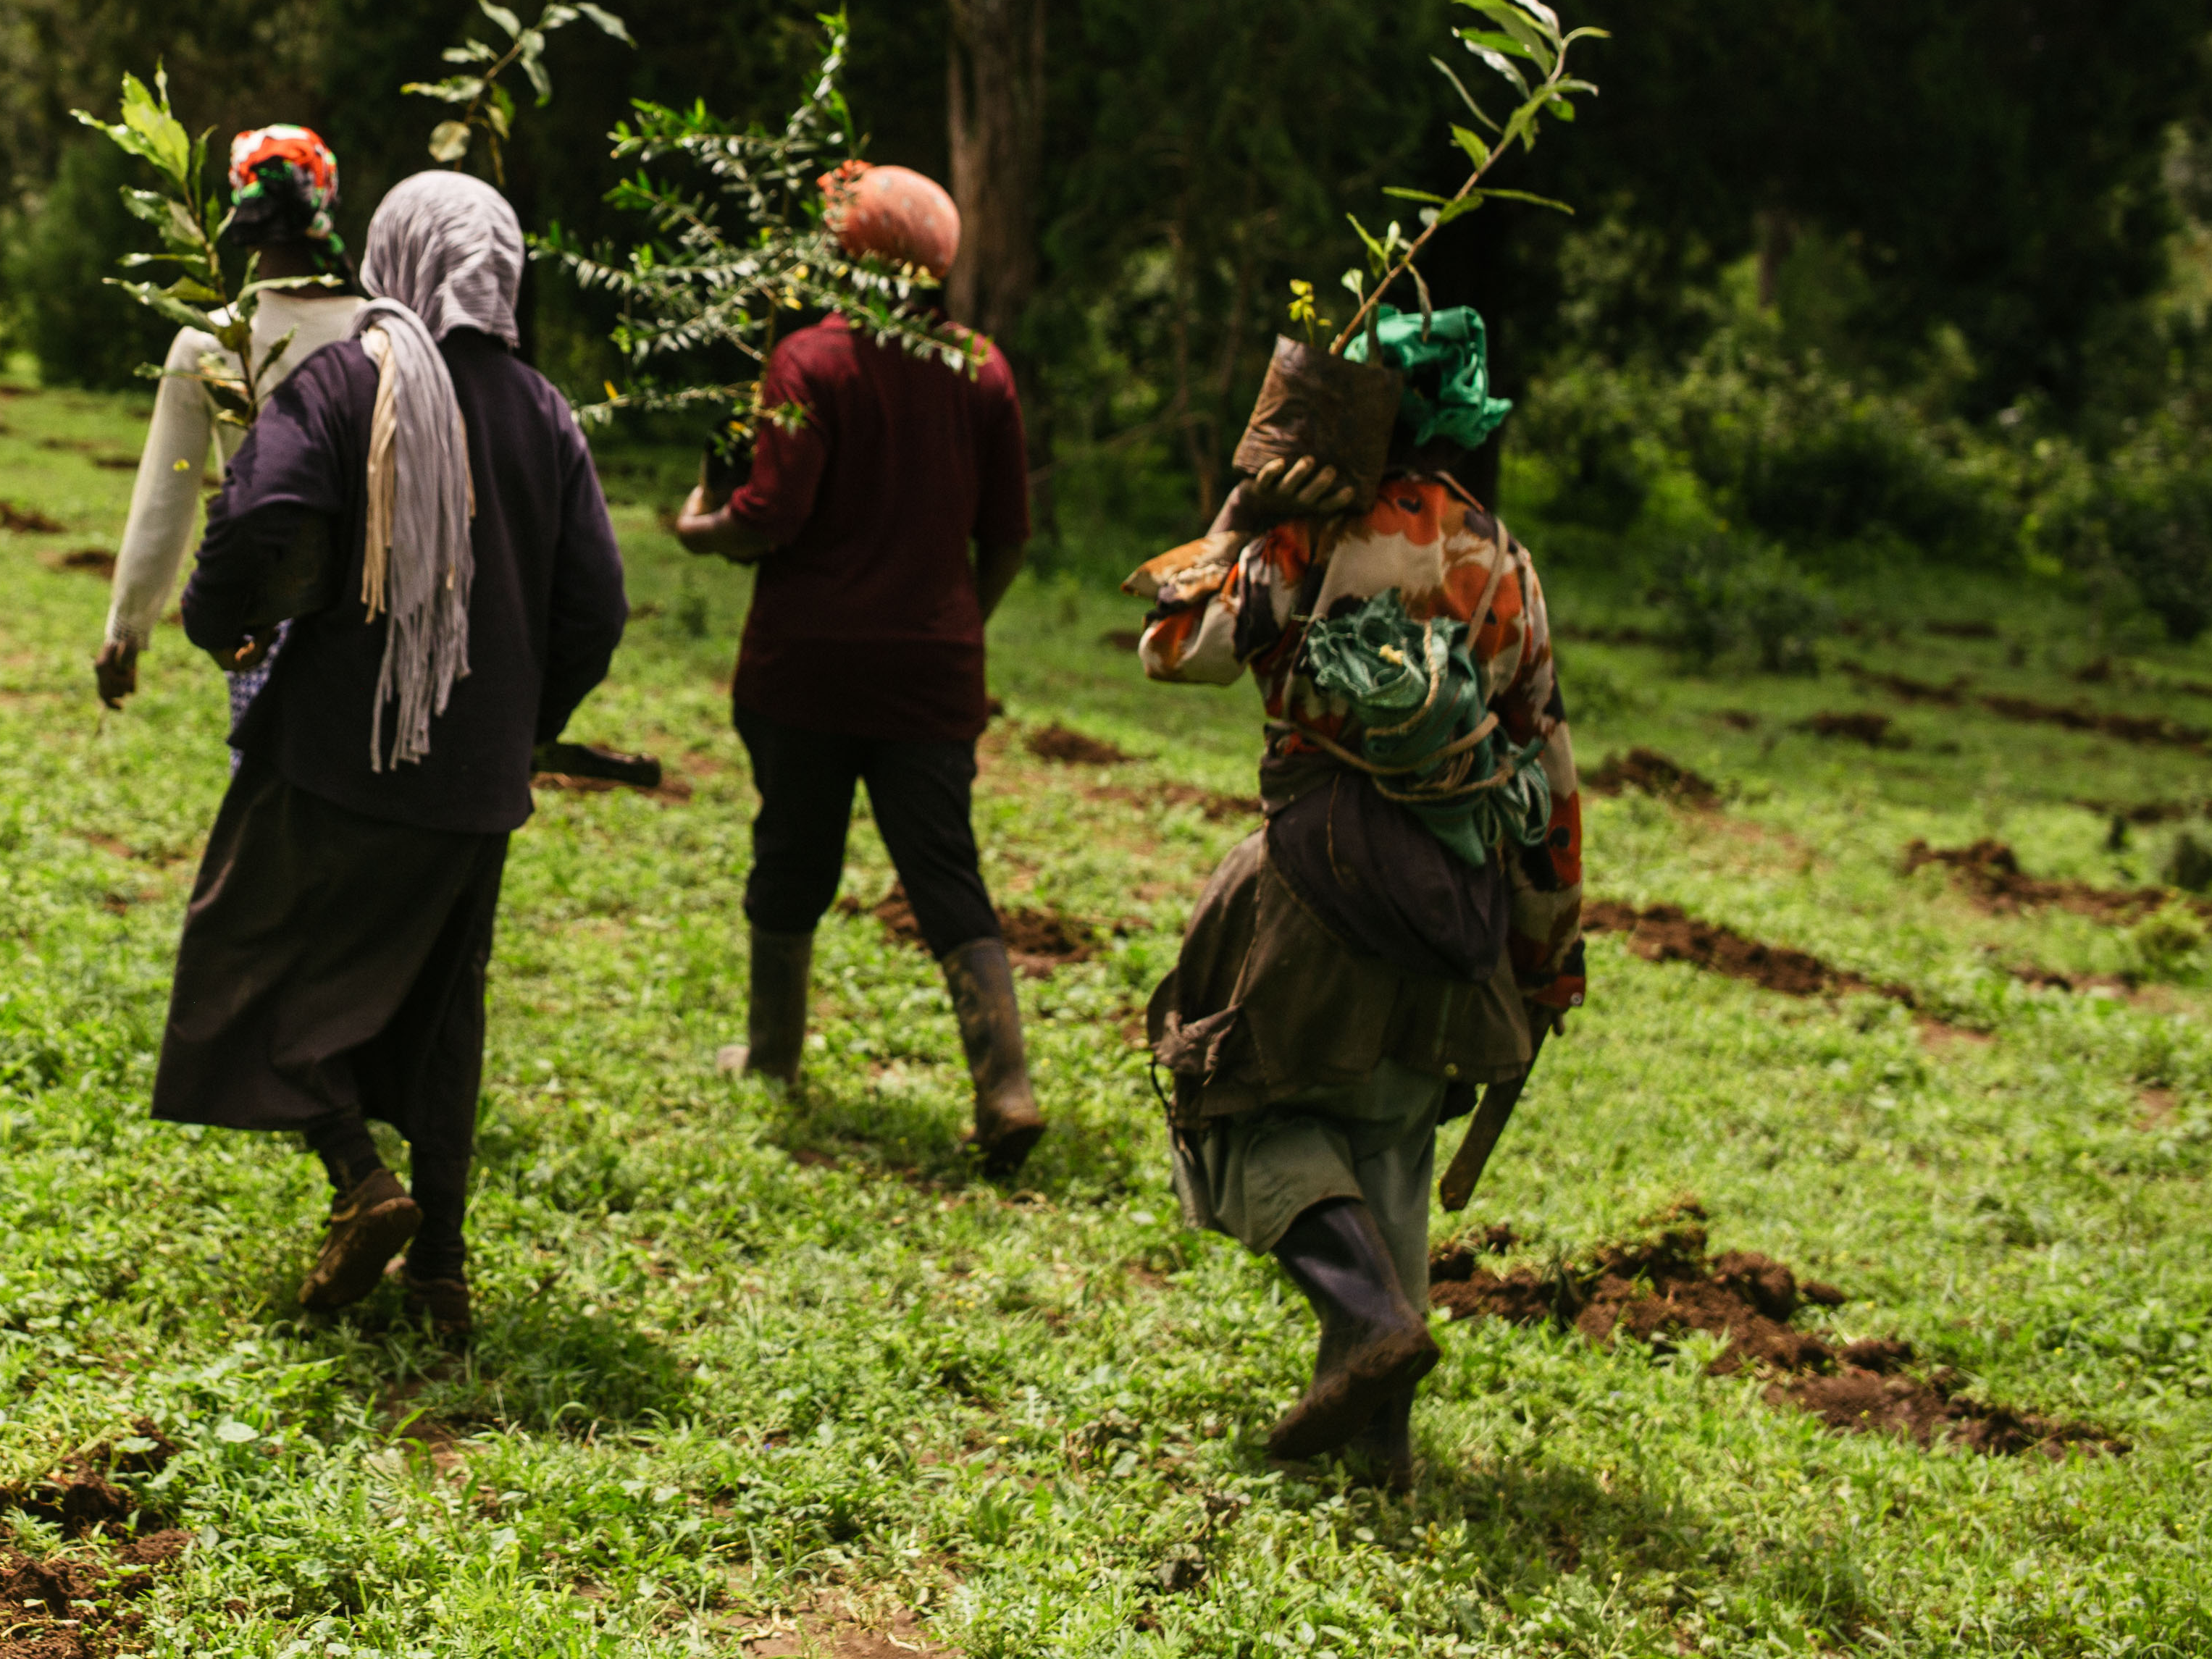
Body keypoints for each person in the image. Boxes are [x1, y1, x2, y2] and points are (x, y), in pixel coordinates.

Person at [150, 169, 627, 1337]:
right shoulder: (548, 412)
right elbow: (598, 604)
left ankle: (360, 1176)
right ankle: (442, 1273)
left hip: (338, 755)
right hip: (476, 788)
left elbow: (258, 515)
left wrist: (221, 623)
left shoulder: (350, 374)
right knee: (443, 1006)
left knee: (242, 947)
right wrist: (522, 720)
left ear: (393, 254)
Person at [1126, 306, 1588, 1497]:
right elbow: (1546, 763)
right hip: (1457, 900)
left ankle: (1365, 1315)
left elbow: (1172, 645)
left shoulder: (1307, 539)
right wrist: (1547, 953)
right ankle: (1380, 1447)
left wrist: (1240, 514)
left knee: (1230, 1096)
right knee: (1387, 1145)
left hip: (1314, 885)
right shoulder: (1505, 560)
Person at [670, 161, 1042, 1170]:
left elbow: (770, 519)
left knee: (793, 852)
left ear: (845, 259)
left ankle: (774, 1057)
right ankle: (1004, 1085)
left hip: (806, 672)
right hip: (930, 677)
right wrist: (959, 619)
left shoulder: (809, 362)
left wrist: (699, 530)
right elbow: (1008, 534)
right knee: (944, 869)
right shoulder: (984, 370)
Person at [91, 125, 366, 718]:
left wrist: (127, 630)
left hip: (264, 621)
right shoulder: (384, 334)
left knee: (272, 794)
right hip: (377, 610)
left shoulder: (209, 347)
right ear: (328, 201)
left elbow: (168, 494)